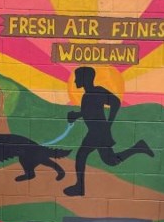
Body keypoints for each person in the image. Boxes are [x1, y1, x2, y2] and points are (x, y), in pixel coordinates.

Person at [63, 66, 154, 196]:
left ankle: (79, 187)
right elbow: (89, 113)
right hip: (95, 131)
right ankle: (138, 147)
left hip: (98, 131)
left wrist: (109, 123)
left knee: (84, 156)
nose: (75, 81)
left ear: (85, 78)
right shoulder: (87, 96)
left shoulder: (98, 92)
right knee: (108, 160)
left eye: (77, 78)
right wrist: (76, 116)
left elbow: (116, 102)